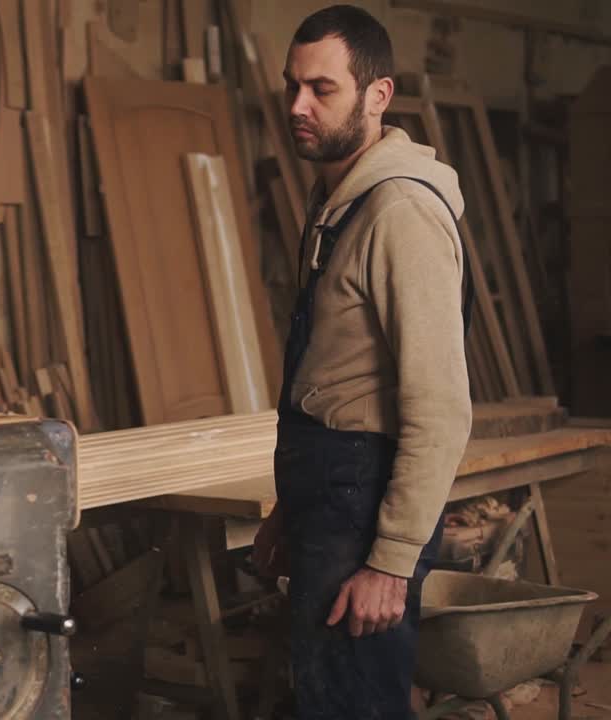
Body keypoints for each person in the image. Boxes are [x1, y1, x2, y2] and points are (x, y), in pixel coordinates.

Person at [251, 5, 473, 718]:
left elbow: (439, 409)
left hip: (366, 506)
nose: (297, 106)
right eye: (292, 86)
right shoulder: (338, 200)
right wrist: (294, 505)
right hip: (331, 495)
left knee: (356, 707)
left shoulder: (399, 213)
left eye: (322, 89)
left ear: (378, 96)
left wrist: (390, 561)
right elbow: (335, 378)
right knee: (328, 699)